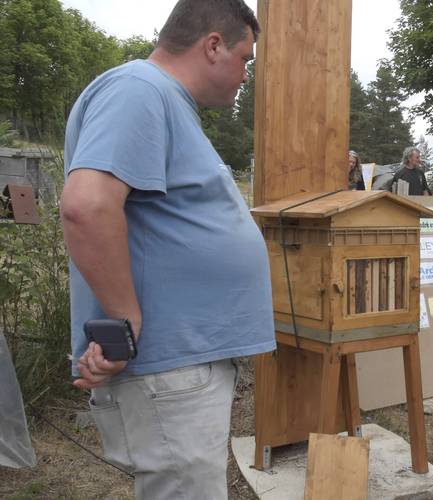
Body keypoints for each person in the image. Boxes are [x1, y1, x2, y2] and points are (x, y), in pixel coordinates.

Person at [59, 1, 275, 498]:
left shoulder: (164, 100)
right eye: (245, 58)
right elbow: (88, 206)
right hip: (167, 365)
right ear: (213, 45)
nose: (245, 75)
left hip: (182, 365)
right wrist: (123, 321)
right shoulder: (138, 89)